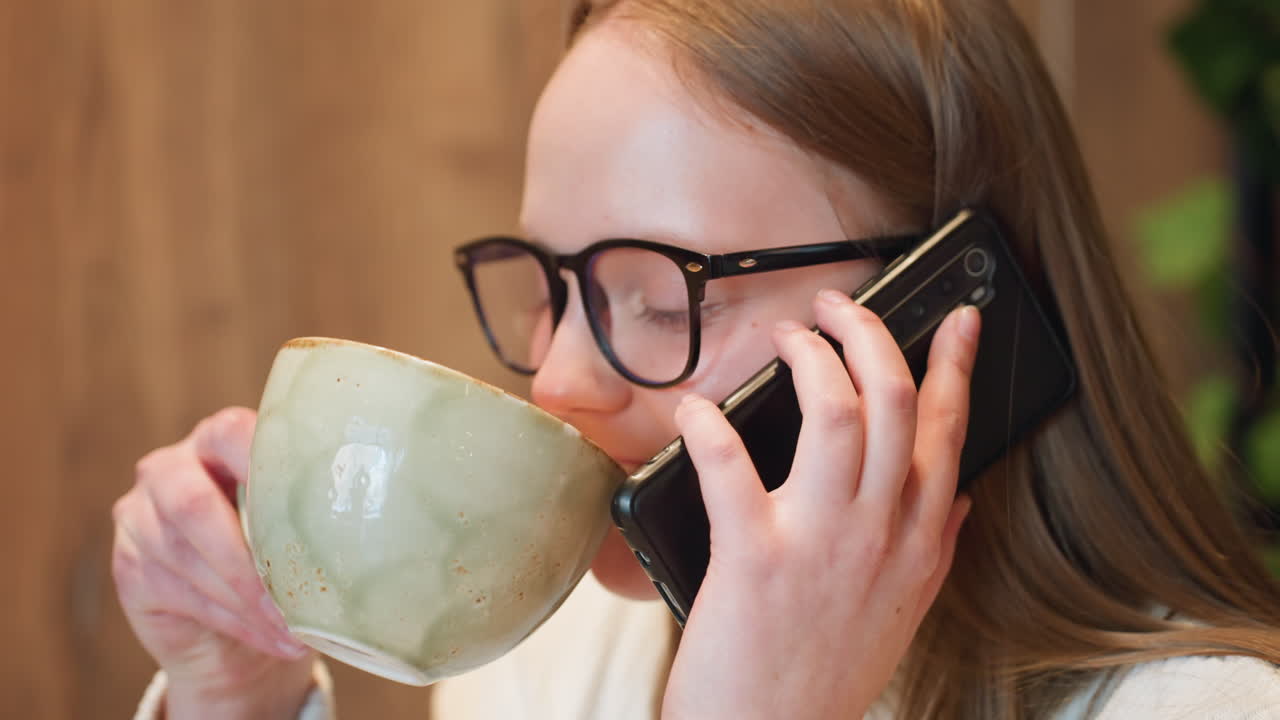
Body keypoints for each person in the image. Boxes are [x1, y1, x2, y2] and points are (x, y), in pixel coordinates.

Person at [114, 0, 1280, 718]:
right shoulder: (552, 659)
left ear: (923, 318)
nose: (562, 380)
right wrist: (236, 705)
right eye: (549, 290)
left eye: (656, 299)